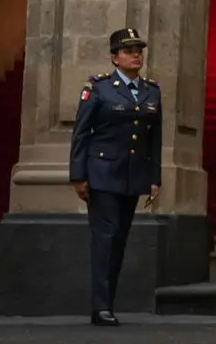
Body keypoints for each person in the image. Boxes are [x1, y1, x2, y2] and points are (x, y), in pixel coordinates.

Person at [69, 27, 161, 326]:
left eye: (139, 51)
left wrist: (154, 177)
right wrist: (78, 175)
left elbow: (154, 139)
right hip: (102, 173)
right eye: (128, 51)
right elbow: (81, 134)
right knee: (105, 238)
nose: (136, 56)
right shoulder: (99, 89)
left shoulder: (151, 91)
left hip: (132, 176)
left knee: (119, 239)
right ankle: (100, 307)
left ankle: (107, 302)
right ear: (114, 58)